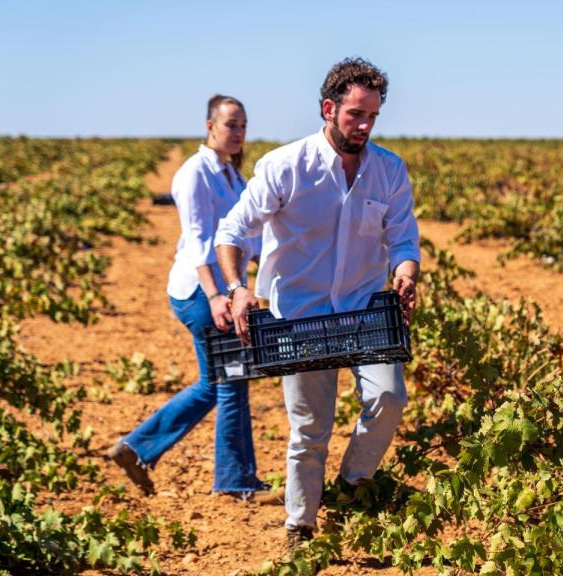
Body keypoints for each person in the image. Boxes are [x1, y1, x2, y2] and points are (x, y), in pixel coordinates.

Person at [213, 57, 420, 550]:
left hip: (365, 310)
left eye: (372, 115)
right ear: (329, 109)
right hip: (300, 316)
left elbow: (404, 239)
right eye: (355, 114)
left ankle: (349, 486)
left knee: (390, 397)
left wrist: (406, 273)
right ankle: (300, 527)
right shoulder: (286, 166)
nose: (365, 125)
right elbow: (231, 232)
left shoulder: (388, 170)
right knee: (310, 429)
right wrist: (238, 288)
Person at [108, 94, 278, 504]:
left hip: (220, 290)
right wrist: (218, 294)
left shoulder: (233, 177)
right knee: (231, 379)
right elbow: (201, 241)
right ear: (210, 126)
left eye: (242, 125)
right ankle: (236, 480)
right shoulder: (194, 173)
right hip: (201, 292)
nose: (237, 133)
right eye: (230, 125)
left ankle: (137, 447)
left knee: (215, 382)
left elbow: (249, 239)